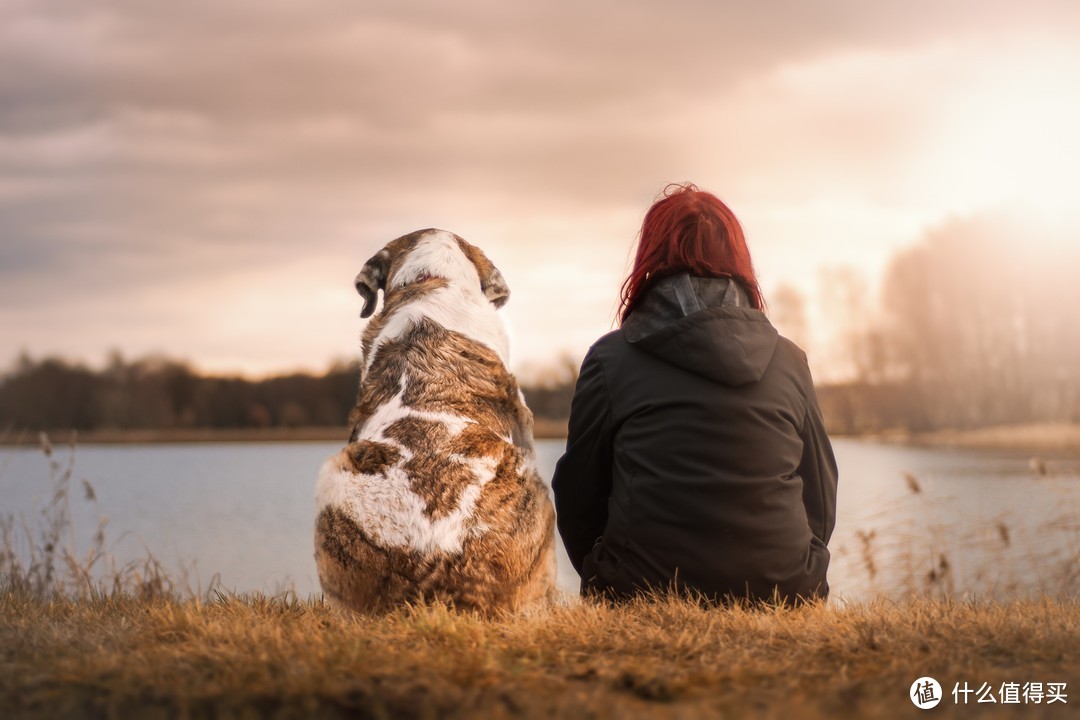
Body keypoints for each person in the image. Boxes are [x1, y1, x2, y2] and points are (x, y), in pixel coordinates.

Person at [551, 183, 837, 605]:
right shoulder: (789, 360)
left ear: (650, 258)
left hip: (640, 591)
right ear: (738, 259)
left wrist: (605, 571)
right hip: (784, 591)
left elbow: (578, 494)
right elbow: (821, 492)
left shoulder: (611, 360)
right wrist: (800, 565)